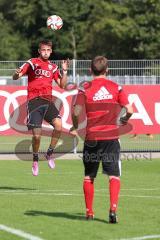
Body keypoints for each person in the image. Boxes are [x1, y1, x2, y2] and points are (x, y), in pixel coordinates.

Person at [70, 56, 133, 223]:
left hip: (92, 137)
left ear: (90, 70)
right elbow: (130, 109)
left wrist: (75, 127)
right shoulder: (116, 87)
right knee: (114, 176)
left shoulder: (85, 88)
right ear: (107, 70)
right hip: (111, 137)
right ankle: (113, 210)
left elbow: (76, 112)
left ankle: (89, 213)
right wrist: (125, 119)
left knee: (89, 176)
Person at [13, 39, 69, 176]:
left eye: (48, 50)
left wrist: (65, 71)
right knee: (37, 137)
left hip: (48, 101)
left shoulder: (53, 67)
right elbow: (16, 76)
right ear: (39, 51)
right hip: (34, 102)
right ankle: (35, 159)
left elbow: (62, 85)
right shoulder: (32, 62)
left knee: (59, 126)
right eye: (43, 50)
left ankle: (49, 153)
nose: (46, 52)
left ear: (51, 51)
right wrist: (16, 73)